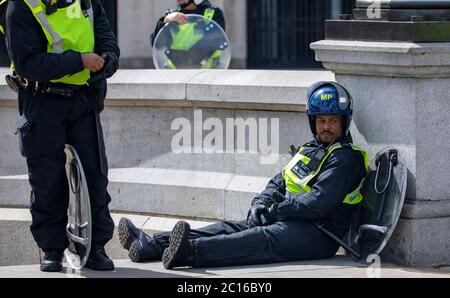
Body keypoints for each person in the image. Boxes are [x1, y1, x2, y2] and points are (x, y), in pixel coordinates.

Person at [118, 81, 368, 269]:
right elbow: (279, 182)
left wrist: (276, 211)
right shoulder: (309, 149)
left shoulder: (346, 158)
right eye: (321, 120)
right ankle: (152, 245)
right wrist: (262, 203)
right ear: (312, 121)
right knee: (232, 226)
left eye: (333, 121)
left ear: (343, 122)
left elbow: (318, 203)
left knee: (258, 238)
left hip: (318, 233)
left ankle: (189, 252)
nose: (326, 127)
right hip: (291, 219)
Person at [4, 0, 119, 272]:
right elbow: (28, 63)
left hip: (83, 99)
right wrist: (79, 60)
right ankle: (52, 249)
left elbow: (106, 39)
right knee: (47, 180)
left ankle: (96, 248)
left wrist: (108, 61)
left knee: (95, 175)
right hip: (42, 100)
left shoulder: (87, 2)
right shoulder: (19, 7)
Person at [150, 0, 225, 47]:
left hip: (206, 70)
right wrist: (165, 21)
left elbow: (216, 42)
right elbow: (157, 45)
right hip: (173, 71)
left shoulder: (213, 14)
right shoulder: (172, 16)